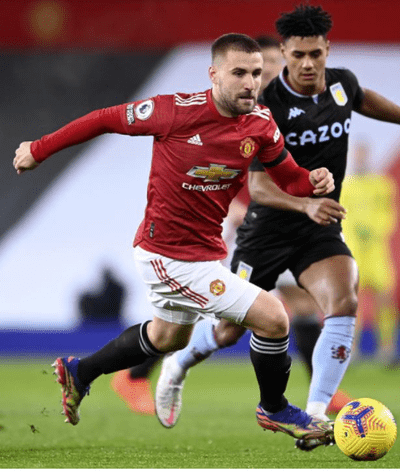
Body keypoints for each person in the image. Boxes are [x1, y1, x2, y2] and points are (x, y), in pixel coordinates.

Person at [12, 33, 336, 443]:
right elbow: (102, 119)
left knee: (169, 337)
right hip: (167, 255)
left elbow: (289, 177)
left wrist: (313, 180)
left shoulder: (261, 123)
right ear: (214, 74)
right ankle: (275, 409)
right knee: (273, 316)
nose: (251, 83)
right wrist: (38, 149)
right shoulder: (173, 112)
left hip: (202, 255)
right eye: (239, 73)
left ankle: (81, 372)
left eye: (256, 73)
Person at [156, 5, 400, 451]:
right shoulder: (266, 105)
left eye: (316, 54)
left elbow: (363, 98)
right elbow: (256, 185)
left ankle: (315, 414)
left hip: (318, 228)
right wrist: (302, 205)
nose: (308, 64)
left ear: (327, 50)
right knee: (230, 329)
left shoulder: (341, 84)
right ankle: (179, 363)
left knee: (344, 299)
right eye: (298, 56)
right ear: (286, 54)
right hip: (267, 230)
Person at [108, 34, 288, 417]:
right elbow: (234, 172)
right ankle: (159, 369)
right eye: (262, 65)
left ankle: (321, 393)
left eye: (273, 66)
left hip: (280, 225)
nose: (268, 73)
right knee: (238, 324)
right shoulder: (240, 110)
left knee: (294, 307)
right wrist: (243, 207)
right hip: (245, 228)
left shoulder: (270, 112)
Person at [340, 140, 400, 366]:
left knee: (384, 298)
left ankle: (388, 349)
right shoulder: (346, 185)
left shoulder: (383, 184)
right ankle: (352, 350)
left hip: (377, 252)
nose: (360, 158)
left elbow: (390, 213)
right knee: (352, 302)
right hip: (353, 253)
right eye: (357, 154)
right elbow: (340, 216)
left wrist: (375, 229)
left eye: (363, 153)